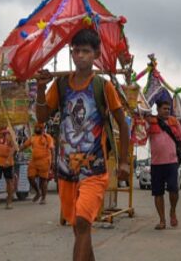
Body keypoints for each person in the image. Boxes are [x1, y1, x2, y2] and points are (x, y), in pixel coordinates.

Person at [36, 28, 130, 261]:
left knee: (82, 222)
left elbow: (123, 124)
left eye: (85, 51)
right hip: (66, 171)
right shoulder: (60, 85)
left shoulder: (102, 86)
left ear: (96, 54)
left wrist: (125, 162)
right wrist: (39, 88)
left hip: (94, 170)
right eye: (76, 51)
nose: (80, 56)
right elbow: (41, 117)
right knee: (79, 229)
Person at [144, 100, 181, 230]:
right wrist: (140, 118)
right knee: (158, 193)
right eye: (164, 108)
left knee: (173, 190)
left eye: (168, 109)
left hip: (172, 162)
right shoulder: (150, 122)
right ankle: (162, 220)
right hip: (156, 164)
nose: (167, 111)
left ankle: (172, 211)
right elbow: (141, 135)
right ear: (158, 109)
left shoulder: (174, 123)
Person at [20, 122, 54, 204]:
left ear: (42, 129)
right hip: (34, 161)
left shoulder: (48, 137)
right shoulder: (33, 138)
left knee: (43, 180)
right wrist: (17, 149)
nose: (37, 129)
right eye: (36, 128)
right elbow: (24, 146)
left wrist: (52, 162)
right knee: (30, 177)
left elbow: (52, 149)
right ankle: (38, 192)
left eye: (39, 128)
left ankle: (43, 198)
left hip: (45, 161)